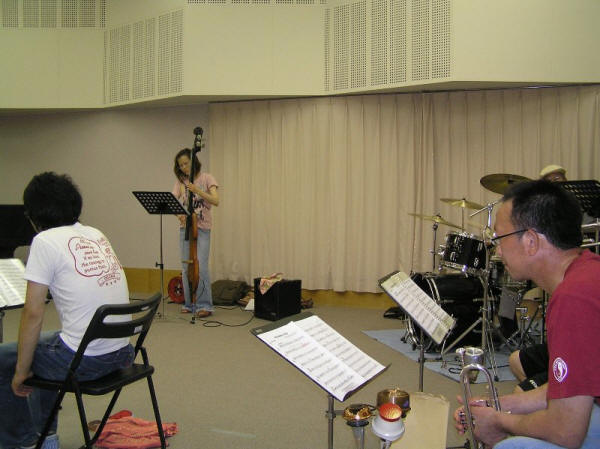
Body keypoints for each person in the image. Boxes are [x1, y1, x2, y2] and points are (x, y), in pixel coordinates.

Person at [454, 179, 600, 448]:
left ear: (531, 241)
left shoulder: (574, 298)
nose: (497, 250)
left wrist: (498, 421)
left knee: (509, 446)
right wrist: (499, 405)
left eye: (499, 239)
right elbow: (568, 390)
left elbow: (566, 431)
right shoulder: (587, 271)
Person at [0, 172, 134, 449]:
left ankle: (23, 441)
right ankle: (47, 436)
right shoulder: (95, 233)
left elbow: (33, 313)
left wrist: (20, 372)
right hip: (122, 352)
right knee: (48, 344)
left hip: (85, 361)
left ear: (34, 214)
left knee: (9, 359)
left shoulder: (44, 241)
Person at [172, 148, 219, 318]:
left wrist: (197, 190)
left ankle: (204, 305)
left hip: (203, 228)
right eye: (181, 165)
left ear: (193, 162)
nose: (184, 167)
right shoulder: (181, 182)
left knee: (201, 266)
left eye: (186, 163)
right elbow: (172, 200)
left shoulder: (207, 178)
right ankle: (189, 303)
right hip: (186, 228)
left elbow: (216, 200)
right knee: (186, 266)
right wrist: (179, 215)